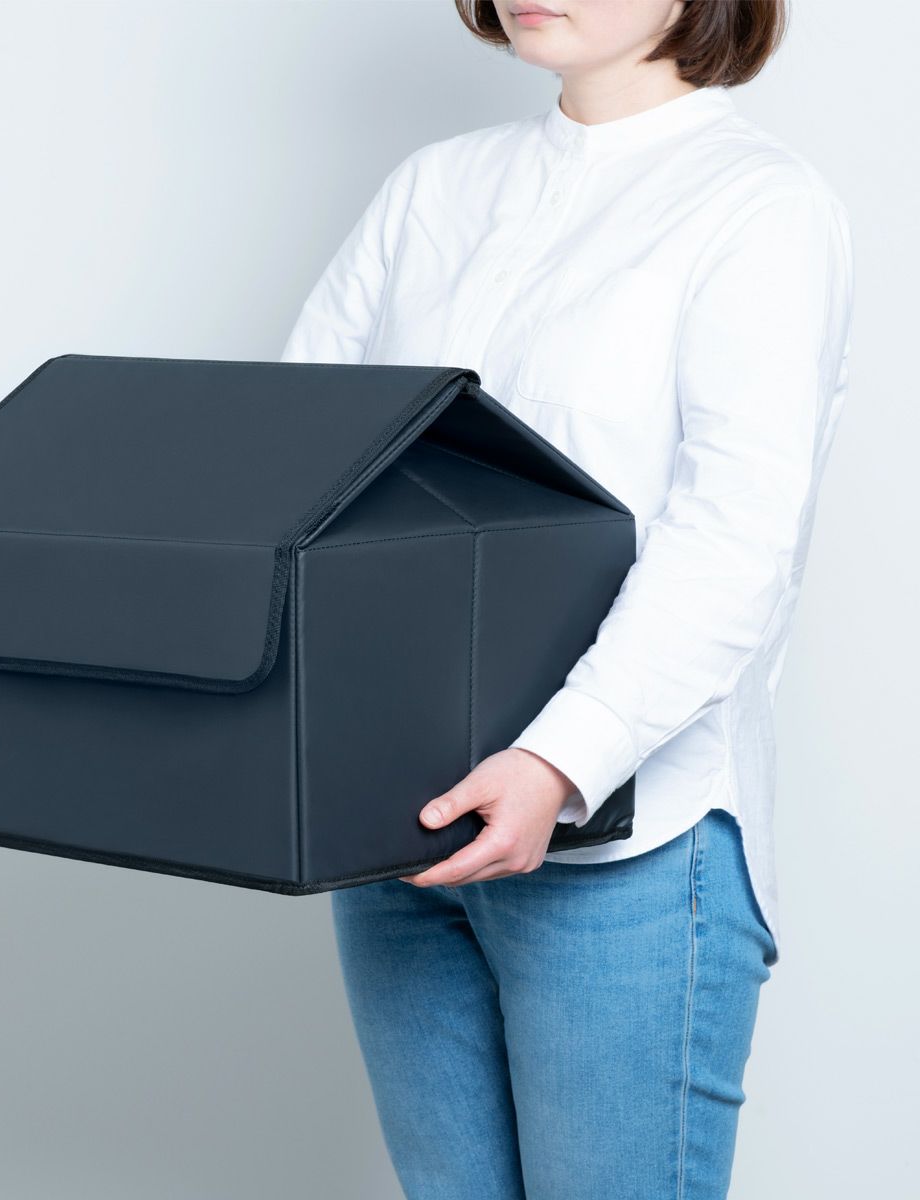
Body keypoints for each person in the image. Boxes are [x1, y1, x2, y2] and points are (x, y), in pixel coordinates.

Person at [278, 1, 854, 1197]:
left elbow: (733, 539)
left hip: (629, 856)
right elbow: (297, 460)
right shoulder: (435, 188)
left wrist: (556, 762)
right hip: (394, 835)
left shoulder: (759, 206)